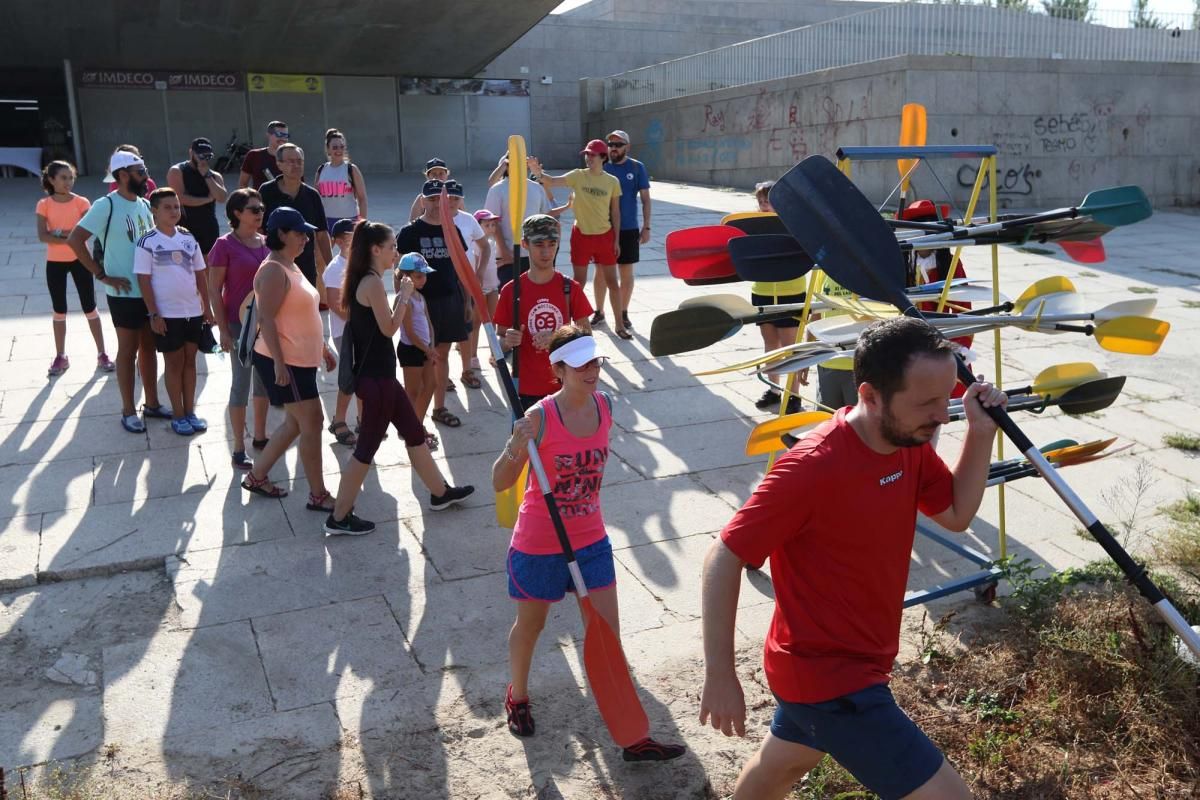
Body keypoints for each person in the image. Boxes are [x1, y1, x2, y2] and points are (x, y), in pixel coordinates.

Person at [699, 317, 1008, 800]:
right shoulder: (813, 467)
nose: (941, 416)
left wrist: (981, 431)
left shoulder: (906, 442)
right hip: (828, 677)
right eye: (927, 403)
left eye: (946, 398)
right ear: (870, 395)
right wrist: (720, 674)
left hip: (851, 660)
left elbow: (954, 512)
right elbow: (724, 555)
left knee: (783, 764)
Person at [492, 324, 685, 762]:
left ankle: (633, 737)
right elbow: (499, 481)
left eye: (595, 361)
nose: (591, 370)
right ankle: (517, 695)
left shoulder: (606, 406)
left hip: (591, 540)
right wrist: (514, 445)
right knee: (532, 626)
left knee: (607, 637)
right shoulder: (539, 418)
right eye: (580, 364)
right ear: (558, 369)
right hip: (540, 541)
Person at [325, 223, 475, 535]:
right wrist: (404, 295)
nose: (396, 253)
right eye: (393, 247)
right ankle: (339, 516)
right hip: (376, 380)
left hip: (382, 377)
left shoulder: (364, 279)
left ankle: (439, 492)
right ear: (375, 249)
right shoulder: (371, 282)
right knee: (365, 450)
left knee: (414, 433)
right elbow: (389, 329)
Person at [241, 207, 338, 512]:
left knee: (295, 424)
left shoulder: (290, 265)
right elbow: (266, 320)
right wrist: (281, 365)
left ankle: (256, 476)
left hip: (301, 359)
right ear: (281, 234)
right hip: (285, 362)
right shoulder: (272, 270)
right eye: (299, 233)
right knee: (312, 421)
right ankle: (318, 494)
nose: (305, 239)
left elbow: (301, 313)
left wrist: (321, 347)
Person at [68, 149, 168, 433]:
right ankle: (127, 410)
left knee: (150, 348)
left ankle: (152, 404)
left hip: (149, 291)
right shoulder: (106, 205)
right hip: (124, 294)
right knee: (128, 351)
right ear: (123, 175)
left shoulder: (144, 204)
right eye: (140, 172)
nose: (145, 176)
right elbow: (76, 240)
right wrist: (101, 275)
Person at [134, 188, 214, 436]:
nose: (174, 211)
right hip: (167, 315)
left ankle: (190, 411)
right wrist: (154, 314)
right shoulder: (147, 241)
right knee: (174, 363)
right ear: (154, 211)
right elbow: (143, 279)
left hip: (193, 311)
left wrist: (207, 308)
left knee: (190, 362)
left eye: (176, 206)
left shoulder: (189, 238)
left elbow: (201, 274)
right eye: (167, 207)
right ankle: (177, 415)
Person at [529, 142, 628, 339]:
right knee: (578, 282)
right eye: (586, 155)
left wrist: (616, 239)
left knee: (612, 282)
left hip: (605, 236)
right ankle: (568, 325)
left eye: (592, 155)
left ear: (603, 157)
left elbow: (615, 212)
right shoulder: (578, 175)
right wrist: (537, 172)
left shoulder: (612, 181)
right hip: (581, 235)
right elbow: (551, 181)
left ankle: (620, 325)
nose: (588, 158)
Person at [494, 215, 593, 411]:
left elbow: (587, 337)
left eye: (552, 243)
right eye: (539, 244)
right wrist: (508, 341)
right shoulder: (510, 290)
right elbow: (500, 342)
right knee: (529, 442)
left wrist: (558, 337)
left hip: (565, 386)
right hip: (525, 388)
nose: (547, 252)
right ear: (524, 244)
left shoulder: (569, 288)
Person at [395, 179, 470, 429]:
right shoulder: (409, 233)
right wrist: (402, 304)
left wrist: (466, 300)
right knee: (423, 361)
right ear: (423, 200)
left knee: (442, 354)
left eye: (441, 198)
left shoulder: (453, 230)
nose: (437, 203)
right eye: (432, 198)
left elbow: (461, 268)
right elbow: (399, 272)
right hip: (421, 304)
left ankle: (439, 408)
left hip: (450, 300)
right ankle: (413, 421)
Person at [207, 188, 271, 468]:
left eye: (261, 209)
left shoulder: (268, 243)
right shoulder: (224, 245)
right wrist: (222, 329)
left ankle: (260, 436)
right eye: (253, 209)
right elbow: (214, 289)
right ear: (237, 213)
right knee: (240, 383)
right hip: (238, 324)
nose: (260, 213)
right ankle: (237, 446)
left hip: (265, 323)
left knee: (263, 383)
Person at [35, 160, 113, 376]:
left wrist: (59, 234)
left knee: (90, 307)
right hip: (55, 264)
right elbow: (43, 235)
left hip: (81, 260)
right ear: (51, 180)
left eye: (70, 178)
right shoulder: (44, 204)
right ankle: (61, 356)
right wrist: (71, 236)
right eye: (63, 178)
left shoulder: (82, 202)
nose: (68, 182)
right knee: (59, 309)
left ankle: (102, 353)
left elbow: (88, 231)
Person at [749, 181, 806, 412]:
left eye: (768, 200)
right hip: (762, 291)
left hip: (790, 291)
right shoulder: (752, 224)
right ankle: (774, 391)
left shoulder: (794, 223)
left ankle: (794, 396)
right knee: (770, 344)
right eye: (760, 201)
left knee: (789, 346)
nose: (764, 205)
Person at [596, 130, 651, 332]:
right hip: (603, 228)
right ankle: (599, 311)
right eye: (610, 144)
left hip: (628, 228)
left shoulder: (637, 167)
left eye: (618, 144)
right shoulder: (601, 166)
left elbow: (645, 199)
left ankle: (623, 312)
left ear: (627, 146)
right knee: (601, 271)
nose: (613, 148)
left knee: (625, 272)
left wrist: (646, 227)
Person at [259, 143, 332, 289]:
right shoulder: (266, 191)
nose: (296, 165)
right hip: (275, 267)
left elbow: (322, 234)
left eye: (299, 161)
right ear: (279, 164)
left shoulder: (312, 196)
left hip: (306, 268)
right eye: (291, 161)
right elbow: (259, 230)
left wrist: (331, 267)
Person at [483, 154, 553, 288]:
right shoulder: (497, 189)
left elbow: (545, 219)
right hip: (507, 256)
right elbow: (492, 223)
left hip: (533, 255)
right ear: (506, 166)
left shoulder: (537, 188)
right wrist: (504, 251)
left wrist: (544, 252)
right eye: (513, 163)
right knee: (510, 300)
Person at [445, 180, 490, 390]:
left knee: (467, 325)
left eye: (456, 198)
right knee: (442, 332)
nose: (452, 201)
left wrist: (480, 271)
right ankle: (442, 374)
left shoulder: (468, 220)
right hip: (442, 282)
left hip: (466, 281)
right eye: (449, 197)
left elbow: (484, 246)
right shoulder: (437, 220)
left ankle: (467, 370)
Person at [395, 253, 439, 450]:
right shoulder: (403, 299)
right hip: (411, 350)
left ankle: (416, 423)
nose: (424, 280)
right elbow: (410, 333)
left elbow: (429, 322)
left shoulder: (420, 296)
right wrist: (427, 350)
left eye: (425, 275)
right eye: (419, 276)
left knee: (431, 384)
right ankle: (411, 428)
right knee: (412, 391)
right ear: (406, 276)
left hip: (426, 349)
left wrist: (432, 347)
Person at [322, 218, 359, 447]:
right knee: (349, 378)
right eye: (346, 238)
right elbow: (335, 304)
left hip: (362, 330)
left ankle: (362, 420)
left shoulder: (361, 263)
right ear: (336, 242)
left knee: (362, 377)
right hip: (345, 331)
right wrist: (360, 322)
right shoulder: (335, 268)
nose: (351, 241)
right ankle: (339, 420)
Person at [166, 137, 227, 255]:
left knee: (208, 265)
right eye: (201, 156)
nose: (204, 159)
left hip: (208, 226)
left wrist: (206, 175)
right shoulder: (177, 171)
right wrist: (208, 199)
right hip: (185, 226)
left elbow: (221, 198)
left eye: (207, 156)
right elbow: (180, 199)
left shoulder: (214, 176)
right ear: (191, 153)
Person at [314, 128, 368, 231]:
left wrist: (361, 224)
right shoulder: (321, 170)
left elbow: (362, 198)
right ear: (328, 149)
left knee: (349, 248)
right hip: (326, 220)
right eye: (334, 147)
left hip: (349, 220)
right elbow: (315, 199)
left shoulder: (351, 169)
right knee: (324, 248)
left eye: (341, 147)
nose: (339, 150)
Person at [239, 120, 289, 190]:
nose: (283, 139)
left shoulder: (292, 157)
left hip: (286, 200)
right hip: (260, 200)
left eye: (286, 135)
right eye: (279, 134)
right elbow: (242, 184)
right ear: (268, 135)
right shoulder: (253, 155)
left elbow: (300, 185)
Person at [473, 208, 502, 321]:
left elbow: (491, 264)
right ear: (477, 227)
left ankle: (493, 339)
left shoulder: (491, 243)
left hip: (493, 287)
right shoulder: (475, 245)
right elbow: (475, 265)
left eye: (493, 225)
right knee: (477, 321)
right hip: (481, 287)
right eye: (487, 225)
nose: (491, 228)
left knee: (493, 319)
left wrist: (503, 262)